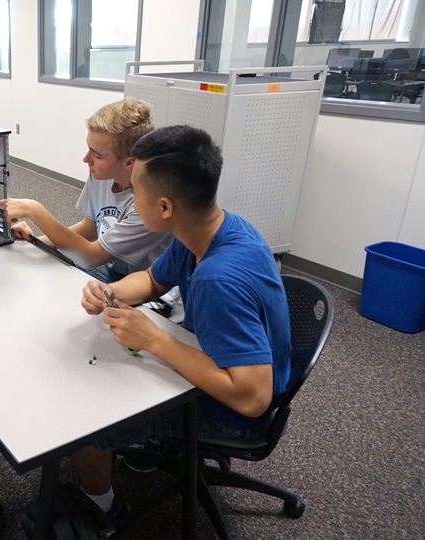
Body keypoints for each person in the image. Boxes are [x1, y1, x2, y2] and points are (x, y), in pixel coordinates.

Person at [72, 125, 291, 527]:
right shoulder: (210, 226)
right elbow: (154, 279)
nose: (131, 200)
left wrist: (154, 339)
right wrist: (110, 291)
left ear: (165, 207)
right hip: (217, 358)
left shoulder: (217, 279)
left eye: (136, 192)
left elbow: (252, 398)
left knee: (84, 424)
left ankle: (101, 512)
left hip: (230, 411)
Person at [0, 98, 172, 279]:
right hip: (108, 269)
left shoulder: (150, 202)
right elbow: (89, 228)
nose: (86, 159)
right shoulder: (102, 175)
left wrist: (35, 211)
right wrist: (36, 242)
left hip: (145, 290)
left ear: (129, 162)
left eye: (97, 155)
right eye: (89, 149)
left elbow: (92, 256)